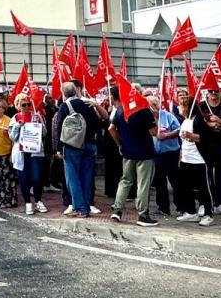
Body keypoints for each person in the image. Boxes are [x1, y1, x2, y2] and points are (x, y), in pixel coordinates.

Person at [108, 88, 158, 225]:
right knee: (143, 183)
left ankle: (117, 211)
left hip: (127, 151)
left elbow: (111, 129)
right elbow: (154, 132)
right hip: (144, 152)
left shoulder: (120, 110)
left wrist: (120, 144)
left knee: (125, 181)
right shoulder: (143, 110)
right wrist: (155, 117)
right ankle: (142, 215)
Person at [55, 82, 104, 219]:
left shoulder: (65, 106)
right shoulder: (88, 104)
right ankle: (87, 206)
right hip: (90, 145)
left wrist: (59, 148)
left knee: (73, 177)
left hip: (72, 146)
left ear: (64, 93)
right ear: (76, 91)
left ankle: (80, 208)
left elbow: (60, 128)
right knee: (87, 177)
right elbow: (98, 125)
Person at [195, 89, 221, 213]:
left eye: (216, 91)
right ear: (207, 93)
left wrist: (220, 121)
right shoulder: (200, 107)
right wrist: (208, 124)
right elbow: (194, 124)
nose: (214, 93)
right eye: (211, 91)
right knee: (204, 175)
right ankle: (204, 203)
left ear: (220, 93)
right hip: (204, 145)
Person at [9, 93, 48, 214]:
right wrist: (17, 126)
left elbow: (45, 133)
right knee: (24, 178)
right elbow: (12, 137)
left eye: (28, 104)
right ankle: (27, 203)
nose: (26, 107)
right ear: (18, 106)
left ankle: (38, 200)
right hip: (21, 153)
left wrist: (39, 125)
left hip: (35, 152)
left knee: (37, 178)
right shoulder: (15, 118)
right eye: (23, 105)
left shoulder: (36, 116)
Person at [150, 94, 185, 217]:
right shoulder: (147, 118)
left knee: (175, 181)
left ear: (154, 106)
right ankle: (163, 207)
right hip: (156, 154)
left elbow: (179, 130)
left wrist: (166, 135)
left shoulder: (169, 116)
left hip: (170, 153)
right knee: (160, 182)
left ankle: (181, 206)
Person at [177, 107, 214, 225]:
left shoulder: (198, 120)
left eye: (181, 105)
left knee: (204, 187)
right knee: (186, 187)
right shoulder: (185, 120)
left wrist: (191, 135)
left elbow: (205, 137)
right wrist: (180, 156)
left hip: (199, 159)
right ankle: (191, 212)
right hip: (186, 158)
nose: (178, 107)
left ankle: (208, 214)